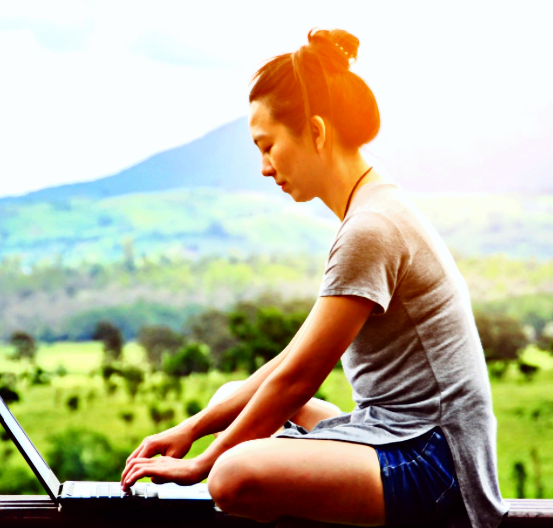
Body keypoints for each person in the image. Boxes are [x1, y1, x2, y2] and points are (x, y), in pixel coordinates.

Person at [121, 29, 507, 528]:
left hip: (436, 464)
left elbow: (300, 379)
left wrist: (202, 462)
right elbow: (291, 363)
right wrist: (189, 429)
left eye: (268, 146)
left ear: (317, 132)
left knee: (233, 474)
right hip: (393, 434)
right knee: (228, 405)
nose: (264, 167)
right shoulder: (373, 210)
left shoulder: (371, 228)